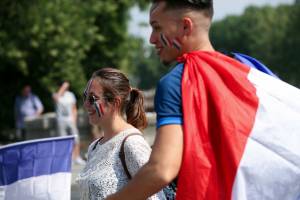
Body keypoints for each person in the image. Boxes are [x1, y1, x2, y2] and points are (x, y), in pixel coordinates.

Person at [106, 0, 300, 199]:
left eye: (157, 28)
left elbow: (162, 169)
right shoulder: (249, 68)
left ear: (185, 26)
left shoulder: (176, 83)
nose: (152, 39)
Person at [76, 68, 166, 200]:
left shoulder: (132, 143)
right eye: (85, 97)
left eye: (92, 98)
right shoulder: (94, 147)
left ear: (115, 103)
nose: (85, 104)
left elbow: (156, 197)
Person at [53, 81, 86, 165]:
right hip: (61, 120)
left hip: (70, 119)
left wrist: (74, 120)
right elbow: (56, 98)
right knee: (63, 140)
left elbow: (74, 108)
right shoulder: (56, 94)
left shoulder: (70, 95)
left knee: (76, 138)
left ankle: (77, 157)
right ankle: (67, 159)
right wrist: (62, 88)